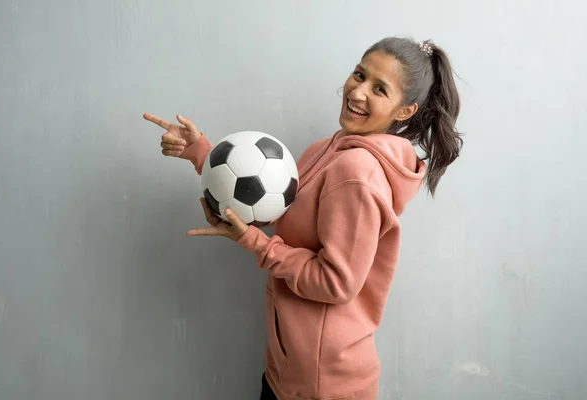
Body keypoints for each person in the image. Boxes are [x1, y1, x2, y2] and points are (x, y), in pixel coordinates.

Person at [144, 36, 462, 400]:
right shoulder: (327, 149)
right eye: (359, 75)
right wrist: (202, 153)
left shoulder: (356, 171)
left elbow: (335, 283)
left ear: (404, 111)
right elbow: (273, 204)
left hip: (322, 384)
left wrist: (255, 243)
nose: (358, 92)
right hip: (291, 367)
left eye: (379, 89)